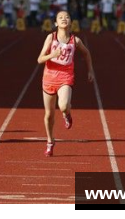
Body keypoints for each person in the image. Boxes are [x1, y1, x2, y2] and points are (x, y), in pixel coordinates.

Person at [37, 10, 94, 157]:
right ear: (56, 23)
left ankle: (67, 113)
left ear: (70, 23)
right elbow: (40, 59)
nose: (64, 19)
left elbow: (86, 54)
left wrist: (90, 71)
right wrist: (52, 55)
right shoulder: (51, 37)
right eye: (60, 17)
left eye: (67, 17)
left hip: (65, 77)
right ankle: (50, 141)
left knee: (62, 105)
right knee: (49, 115)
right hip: (49, 78)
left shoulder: (75, 41)